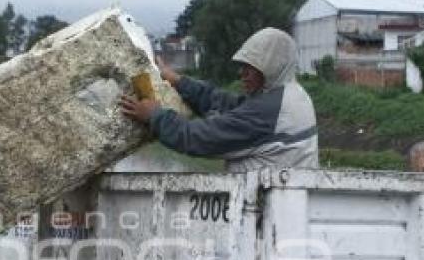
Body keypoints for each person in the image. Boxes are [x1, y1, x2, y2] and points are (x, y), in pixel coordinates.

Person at [120, 27, 318, 171]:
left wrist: (154, 116)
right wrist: (179, 82)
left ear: (271, 68)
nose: (242, 74)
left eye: (250, 68)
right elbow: (227, 104)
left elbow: (197, 138)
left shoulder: (268, 113)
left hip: (265, 215)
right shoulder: (290, 95)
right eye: (242, 66)